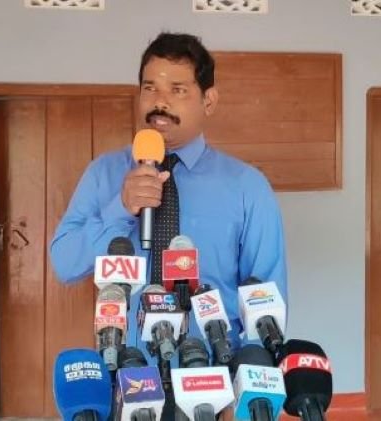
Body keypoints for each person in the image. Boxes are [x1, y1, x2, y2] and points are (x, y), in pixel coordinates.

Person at [50, 32, 287, 419]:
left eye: (177, 89)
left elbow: (265, 298)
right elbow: (64, 263)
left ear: (208, 100)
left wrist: (244, 393)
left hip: (214, 375)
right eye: (149, 88)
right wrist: (120, 208)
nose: (159, 102)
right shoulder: (104, 174)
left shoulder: (247, 187)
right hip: (128, 374)